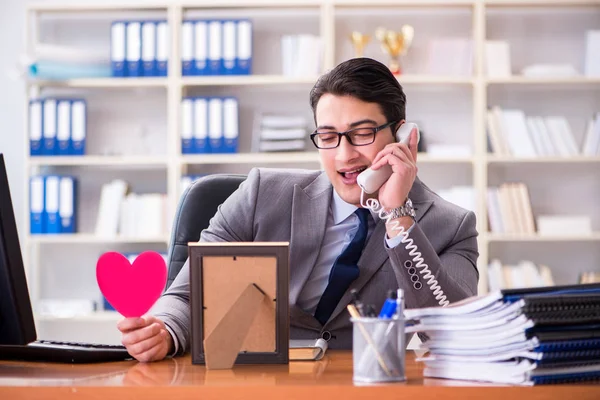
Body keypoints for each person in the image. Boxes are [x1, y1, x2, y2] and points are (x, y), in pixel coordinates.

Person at [117, 58, 479, 362]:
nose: (343, 155)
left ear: (403, 137)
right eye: (328, 136)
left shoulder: (451, 225)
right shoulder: (261, 194)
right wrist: (164, 330)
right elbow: (187, 294)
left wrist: (398, 217)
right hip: (258, 386)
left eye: (362, 133)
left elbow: (450, 334)